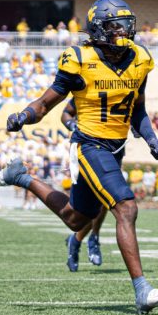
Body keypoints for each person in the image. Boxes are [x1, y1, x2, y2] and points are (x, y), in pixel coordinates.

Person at [0, 0, 158, 314]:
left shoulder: (141, 58)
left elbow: (137, 109)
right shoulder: (79, 59)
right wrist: (23, 115)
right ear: (100, 29)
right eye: (116, 26)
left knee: (76, 219)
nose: (124, 32)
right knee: (126, 207)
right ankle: (141, 290)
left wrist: (151, 137)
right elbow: (46, 103)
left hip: (115, 149)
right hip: (89, 145)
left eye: (126, 25)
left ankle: (22, 176)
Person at [60, 98, 107, 272]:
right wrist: (74, 129)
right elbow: (66, 116)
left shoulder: (115, 85)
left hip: (109, 149)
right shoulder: (86, 91)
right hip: (85, 151)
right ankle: (79, 240)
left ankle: (91, 238)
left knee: (107, 201)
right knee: (86, 212)